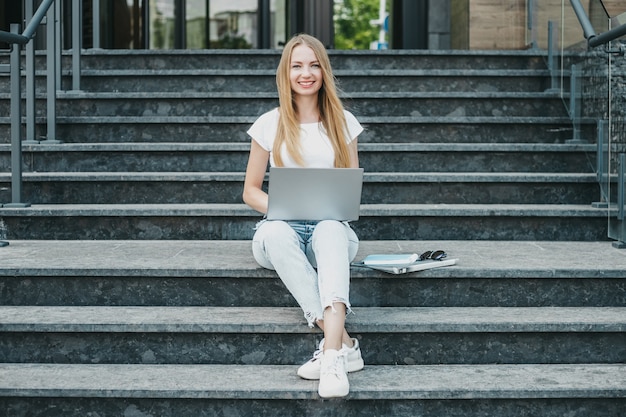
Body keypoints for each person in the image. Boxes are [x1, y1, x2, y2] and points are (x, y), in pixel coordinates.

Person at [242, 33, 364, 398]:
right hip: (281, 233)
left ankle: (330, 357)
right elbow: (249, 191)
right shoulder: (270, 123)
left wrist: (324, 212)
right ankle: (341, 346)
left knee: (329, 227)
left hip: (330, 232)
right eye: (297, 66)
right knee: (277, 232)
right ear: (286, 73)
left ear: (323, 71)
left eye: (313, 65)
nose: (305, 73)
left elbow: (349, 188)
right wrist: (286, 210)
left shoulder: (343, 122)